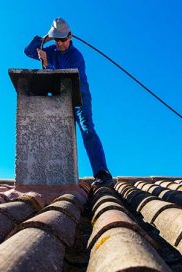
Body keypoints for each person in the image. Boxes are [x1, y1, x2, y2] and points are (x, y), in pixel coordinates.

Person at [24, 17, 113, 187]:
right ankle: (57, 175)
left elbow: (65, 77)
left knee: (87, 129)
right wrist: (45, 39)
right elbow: (28, 51)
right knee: (57, 133)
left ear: (70, 37)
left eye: (63, 39)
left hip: (79, 98)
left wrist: (46, 63)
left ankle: (102, 173)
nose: (60, 44)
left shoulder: (76, 56)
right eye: (57, 40)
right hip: (61, 98)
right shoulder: (52, 50)